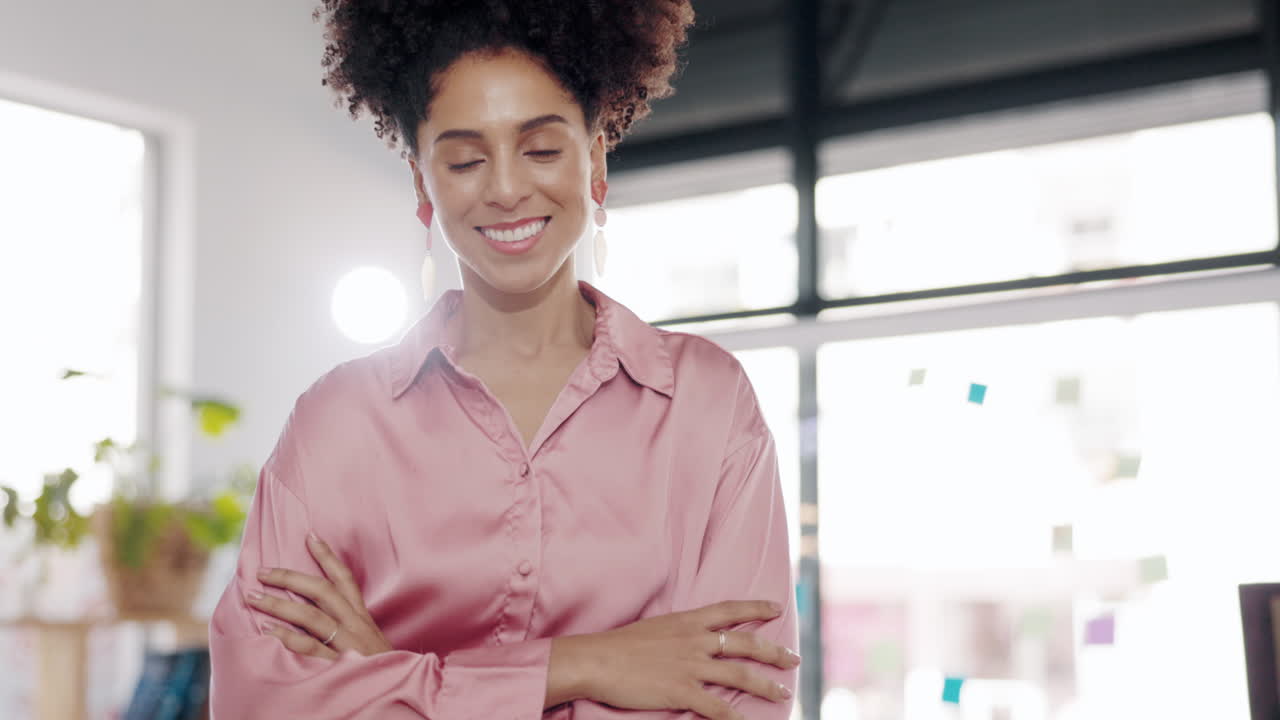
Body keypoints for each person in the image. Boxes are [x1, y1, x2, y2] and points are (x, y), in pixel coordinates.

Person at [207, 1, 800, 718]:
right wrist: (588, 665)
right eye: (463, 159)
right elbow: (258, 702)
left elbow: (745, 701)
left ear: (597, 161)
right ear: (424, 186)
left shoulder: (708, 404)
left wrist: (393, 679)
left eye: (543, 149)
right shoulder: (335, 425)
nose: (507, 188)